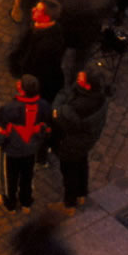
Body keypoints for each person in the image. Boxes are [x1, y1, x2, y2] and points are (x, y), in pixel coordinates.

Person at [0, 75, 52, 215]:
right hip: (31, 150)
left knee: (9, 178)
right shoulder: (44, 106)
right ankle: (26, 202)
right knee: (27, 176)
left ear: (22, 90)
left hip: (11, 152)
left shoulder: (8, 109)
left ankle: (10, 204)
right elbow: (47, 130)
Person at [51, 69, 108, 212]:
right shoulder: (99, 97)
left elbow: (59, 115)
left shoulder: (79, 106)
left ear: (88, 86)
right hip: (84, 142)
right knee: (82, 164)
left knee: (69, 172)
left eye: (81, 79)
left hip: (71, 144)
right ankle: (82, 192)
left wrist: (58, 109)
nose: (78, 78)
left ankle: (69, 204)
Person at [8, 0, 66, 110]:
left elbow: (35, 69)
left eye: (38, 10)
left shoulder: (47, 46)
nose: (33, 9)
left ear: (46, 18)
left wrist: (23, 80)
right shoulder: (40, 26)